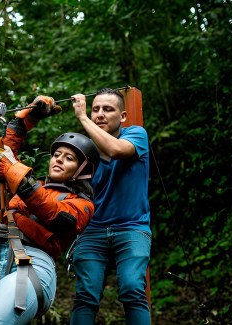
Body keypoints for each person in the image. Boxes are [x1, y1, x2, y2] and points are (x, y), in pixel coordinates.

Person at [0, 96, 100, 325]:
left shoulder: (82, 204)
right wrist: (25, 120)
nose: (58, 160)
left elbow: (54, 214)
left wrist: (15, 173)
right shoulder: (34, 185)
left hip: (32, 265)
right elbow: (5, 154)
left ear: (82, 170)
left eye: (69, 158)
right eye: (56, 155)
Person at [69, 88, 151, 325]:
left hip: (132, 228)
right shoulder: (83, 150)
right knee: (85, 296)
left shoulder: (136, 134)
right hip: (92, 230)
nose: (100, 114)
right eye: (95, 110)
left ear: (123, 116)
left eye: (108, 109)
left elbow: (116, 150)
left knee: (133, 289)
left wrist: (82, 117)